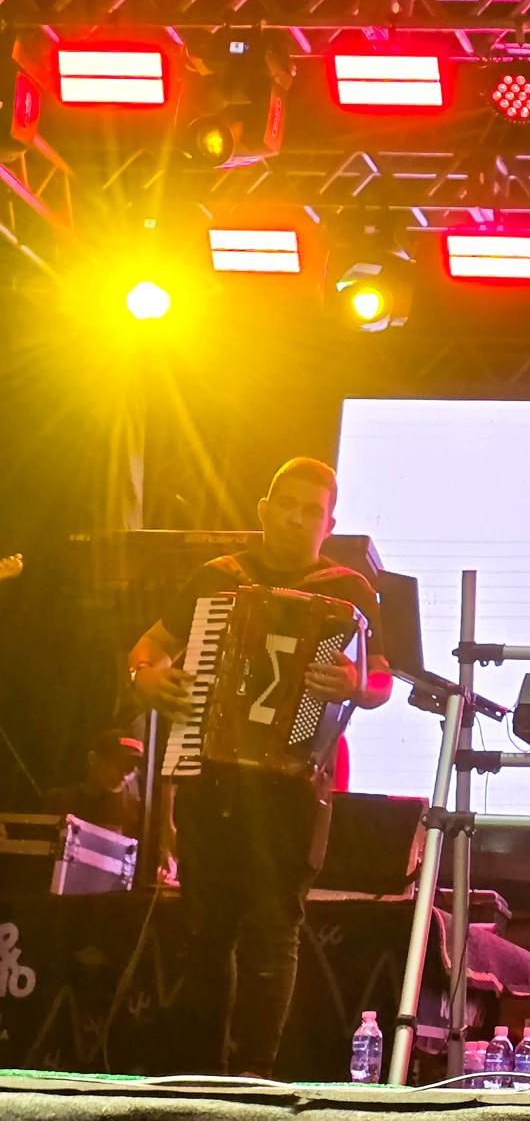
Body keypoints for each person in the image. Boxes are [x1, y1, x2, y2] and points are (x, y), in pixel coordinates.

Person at [126, 457, 390, 1076]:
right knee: (204, 930)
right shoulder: (217, 579)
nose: (297, 520)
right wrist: (146, 677)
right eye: (287, 506)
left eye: (311, 512)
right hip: (211, 776)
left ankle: (252, 1078)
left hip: (295, 785)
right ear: (264, 510)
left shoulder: (349, 591)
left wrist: (355, 683)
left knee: (273, 930)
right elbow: (150, 646)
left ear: (328, 524)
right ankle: (198, 1077)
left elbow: (381, 679)